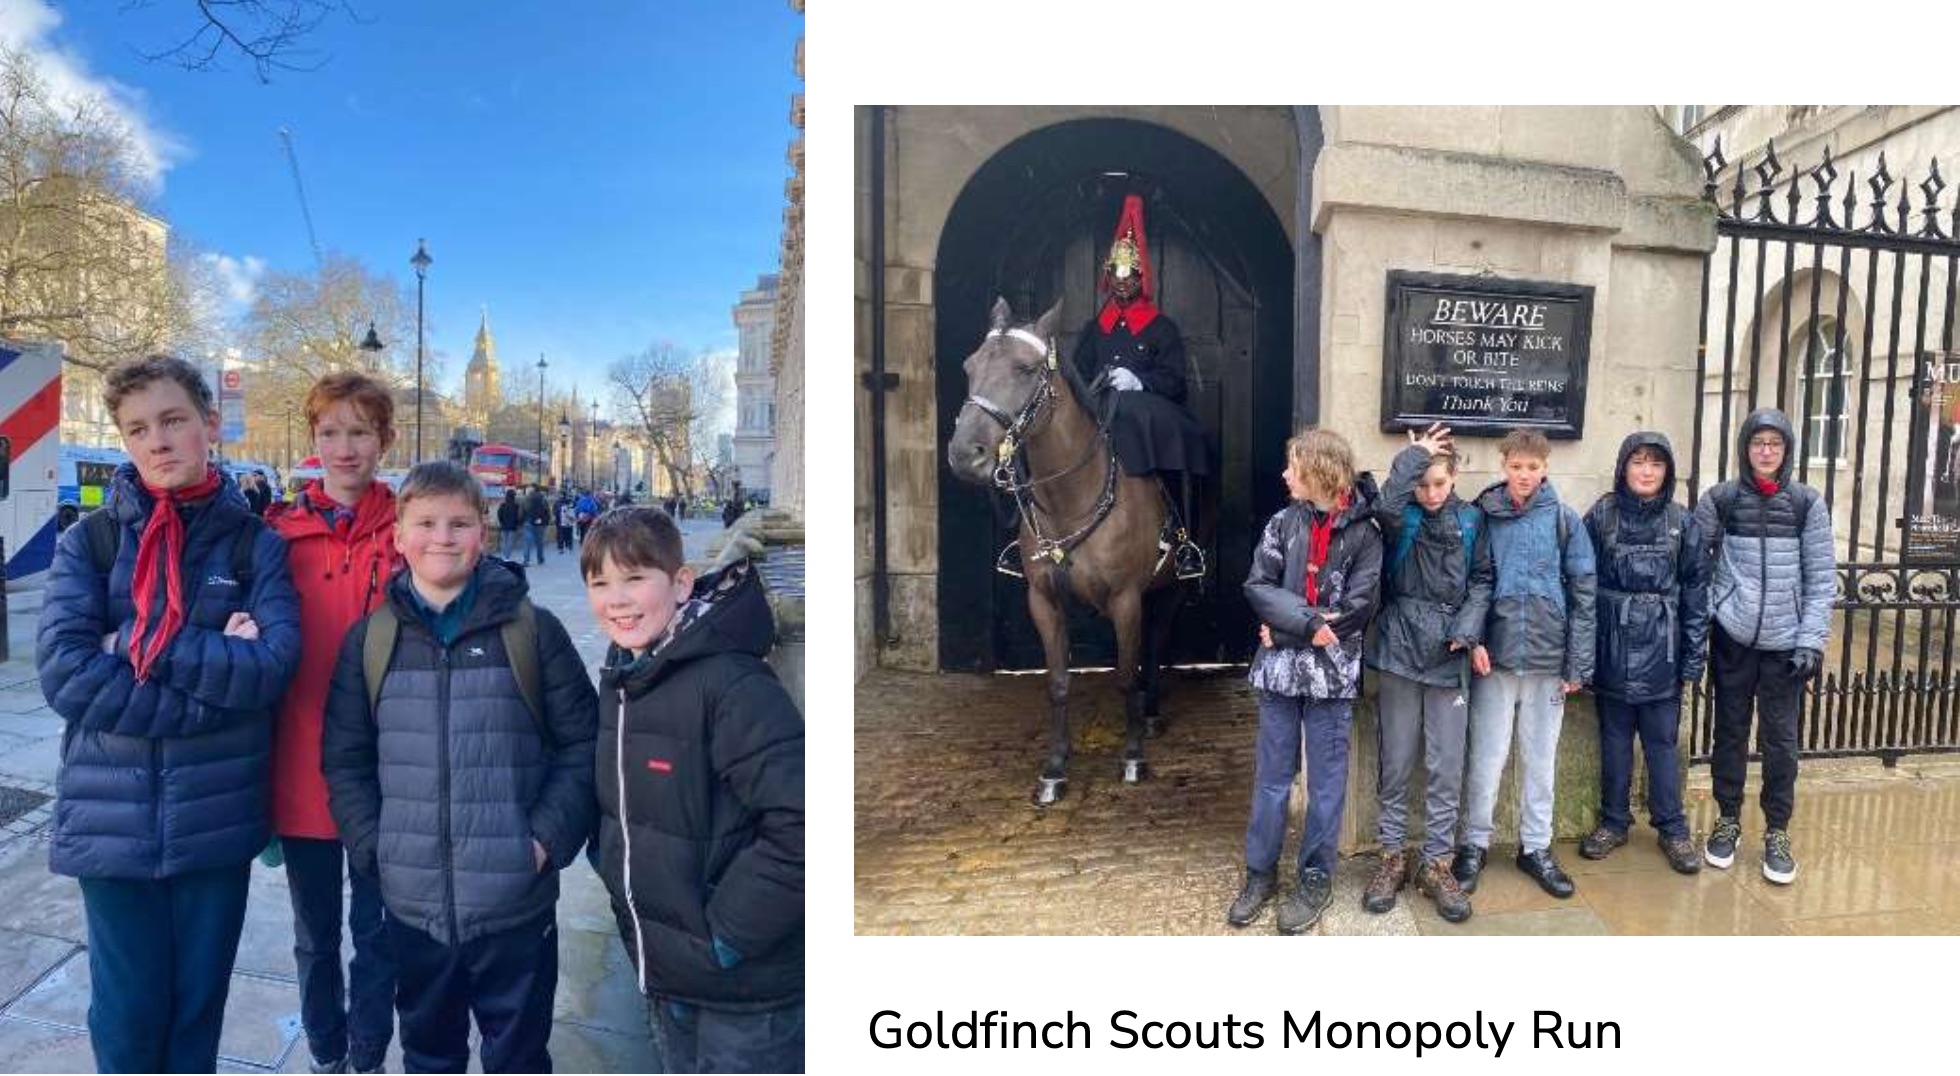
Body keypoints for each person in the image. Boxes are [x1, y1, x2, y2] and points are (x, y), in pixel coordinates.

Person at [35, 353, 302, 1073]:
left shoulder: (254, 546)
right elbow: (67, 675)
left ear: (209, 426)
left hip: (215, 820)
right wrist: (213, 667)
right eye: (137, 429)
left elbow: (272, 669)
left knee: (195, 1016)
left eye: (173, 420)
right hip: (110, 819)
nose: (157, 441)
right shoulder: (86, 543)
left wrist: (135, 642)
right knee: (125, 1019)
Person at [322, 460, 597, 1073]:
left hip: (514, 903)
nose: (442, 537)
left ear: (483, 533)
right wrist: (376, 847)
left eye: (459, 523)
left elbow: (582, 744)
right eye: (425, 522)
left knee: (519, 1057)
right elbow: (345, 760)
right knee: (429, 1054)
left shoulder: (533, 631)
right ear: (398, 536)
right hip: (414, 906)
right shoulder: (370, 641)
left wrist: (545, 841)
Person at [583, 506, 804, 1072]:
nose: (617, 599)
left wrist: (725, 936)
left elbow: (803, 824)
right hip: (667, 971)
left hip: (742, 991)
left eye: (635, 578)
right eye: (600, 582)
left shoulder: (733, 684)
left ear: (681, 583)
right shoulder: (626, 676)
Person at [264, 372, 403, 1075]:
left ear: (384, 439)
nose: (344, 448)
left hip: (385, 773)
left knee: (377, 933)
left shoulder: (411, 530)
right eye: (330, 433)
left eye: (359, 432)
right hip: (299, 765)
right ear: (313, 440)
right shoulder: (276, 535)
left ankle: (368, 1054)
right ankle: (325, 1051)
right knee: (315, 935)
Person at [1228, 429, 1382, 935]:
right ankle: (1260, 872)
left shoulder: (1365, 535)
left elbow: (1356, 610)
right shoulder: (1281, 523)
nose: (1285, 475)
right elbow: (1258, 586)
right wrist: (1308, 625)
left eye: (1293, 466)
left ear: (1319, 470)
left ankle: (1315, 877)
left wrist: (1289, 627)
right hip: (1278, 676)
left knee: (1326, 785)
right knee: (1272, 779)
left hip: (1332, 679)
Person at [1452, 428, 1596, 899]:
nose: (1524, 475)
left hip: (1548, 661)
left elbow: (1583, 594)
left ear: (1545, 468)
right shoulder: (1485, 517)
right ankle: (1474, 843)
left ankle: (1535, 846)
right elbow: (1477, 582)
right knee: (1487, 757)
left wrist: (1577, 664)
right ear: (1504, 466)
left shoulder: (1565, 520)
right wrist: (1473, 638)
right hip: (1495, 658)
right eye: (1516, 466)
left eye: (1533, 467)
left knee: (1540, 760)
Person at [1694, 408, 1835, 883]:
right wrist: (1716, 609)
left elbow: (1820, 580)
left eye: (1775, 443)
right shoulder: (1721, 499)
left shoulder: (1806, 504)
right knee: (1729, 734)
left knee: (1781, 743)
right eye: (1759, 443)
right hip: (1733, 639)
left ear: (1788, 449)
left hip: (1785, 646)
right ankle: (1728, 818)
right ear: (1745, 448)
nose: (1767, 451)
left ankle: (1777, 829)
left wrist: (1811, 639)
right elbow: (1698, 564)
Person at [1360, 423, 1484, 924]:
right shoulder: (1400, 516)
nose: (1430, 493)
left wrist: (1469, 627)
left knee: (1445, 764)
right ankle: (1392, 855)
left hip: (1449, 654)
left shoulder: (1473, 521)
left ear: (1454, 477)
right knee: (1396, 760)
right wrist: (1413, 457)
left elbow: (1483, 579)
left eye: (1439, 482)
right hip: (1398, 649)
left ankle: (1437, 861)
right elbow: (1384, 503)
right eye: (1423, 483)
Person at [1579, 432, 1710, 876]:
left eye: (1656, 463)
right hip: (1611, 644)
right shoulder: (1601, 516)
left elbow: (1696, 590)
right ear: (1624, 467)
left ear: (1667, 472)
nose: (1647, 471)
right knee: (1614, 740)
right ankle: (1613, 821)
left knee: (1661, 742)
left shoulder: (1682, 521)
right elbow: (1579, 581)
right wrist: (1583, 651)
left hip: (1663, 649)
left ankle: (1673, 828)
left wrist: (1694, 653)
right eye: (1638, 461)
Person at [1068, 193, 1210, 580]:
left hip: (1147, 405)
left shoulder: (1161, 328)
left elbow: (1175, 379)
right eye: (1116, 271)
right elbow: (1076, 373)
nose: (1121, 279)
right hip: (1099, 407)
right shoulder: (1095, 328)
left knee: (1160, 428)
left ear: (1141, 277)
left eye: (1129, 273)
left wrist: (1138, 380)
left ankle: (1181, 537)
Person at [524, 484, 551, 565]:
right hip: (540, 523)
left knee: (527, 542)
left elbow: (524, 509)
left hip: (529, 521)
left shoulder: (527, 498)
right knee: (539, 542)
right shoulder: (543, 499)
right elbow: (547, 512)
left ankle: (526, 560)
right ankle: (540, 559)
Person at [497, 487, 522, 560]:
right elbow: (518, 516)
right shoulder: (516, 506)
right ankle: (507, 556)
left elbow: (499, 514)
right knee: (509, 542)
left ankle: (504, 555)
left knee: (504, 541)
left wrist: (501, 522)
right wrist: (517, 523)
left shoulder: (503, 505)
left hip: (504, 525)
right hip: (512, 526)